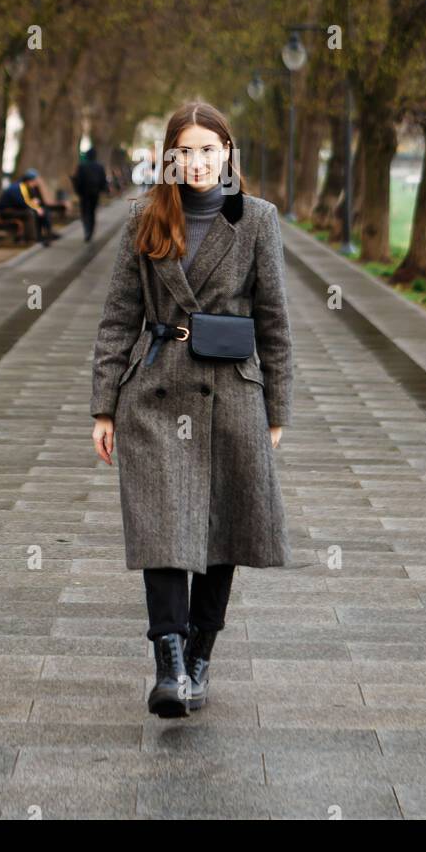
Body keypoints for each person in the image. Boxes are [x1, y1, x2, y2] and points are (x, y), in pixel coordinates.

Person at [90, 100, 293, 720]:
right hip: (154, 394)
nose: (198, 161)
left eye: (210, 149)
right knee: (162, 531)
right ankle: (170, 663)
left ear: (228, 155)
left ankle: (201, 652)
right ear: (169, 158)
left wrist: (277, 409)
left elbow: (274, 321)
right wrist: (103, 407)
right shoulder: (144, 219)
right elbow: (119, 316)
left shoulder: (257, 220)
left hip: (232, 393)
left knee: (223, 526)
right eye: (187, 151)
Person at [0, 169, 59, 246]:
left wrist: (36, 206)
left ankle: (45, 234)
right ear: (29, 180)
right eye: (34, 182)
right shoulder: (18, 187)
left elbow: (25, 202)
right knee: (30, 213)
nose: (35, 184)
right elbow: (21, 203)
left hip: (13, 210)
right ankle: (32, 239)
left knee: (42, 211)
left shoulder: (23, 186)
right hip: (6, 212)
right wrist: (35, 205)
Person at [71, 146, 110, 242]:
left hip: (84, 193)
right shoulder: (99, 166)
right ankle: (90, 231)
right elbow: (103, 180)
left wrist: (78, 191)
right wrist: (104, 190)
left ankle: (87, 230)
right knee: (92, 212)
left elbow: (78, 180)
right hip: (94, 193)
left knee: (84, 212)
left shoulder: (82, 166)